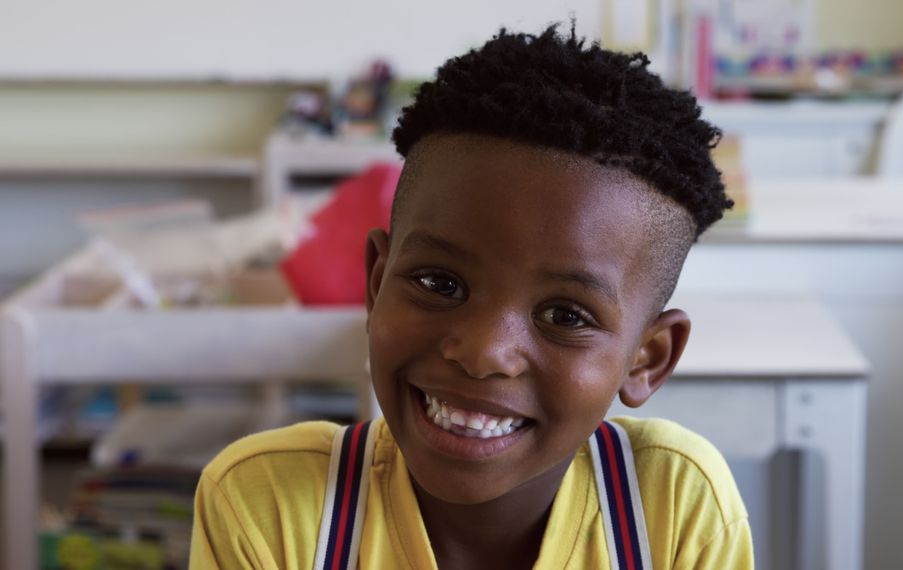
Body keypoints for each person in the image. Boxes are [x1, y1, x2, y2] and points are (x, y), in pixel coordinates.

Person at [190, 25, 752, 570]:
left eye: (565, 315)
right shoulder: (267, 507)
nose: (483, 351)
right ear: (377, 282)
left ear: (647, 358)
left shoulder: (673, 508)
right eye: (440, 283)